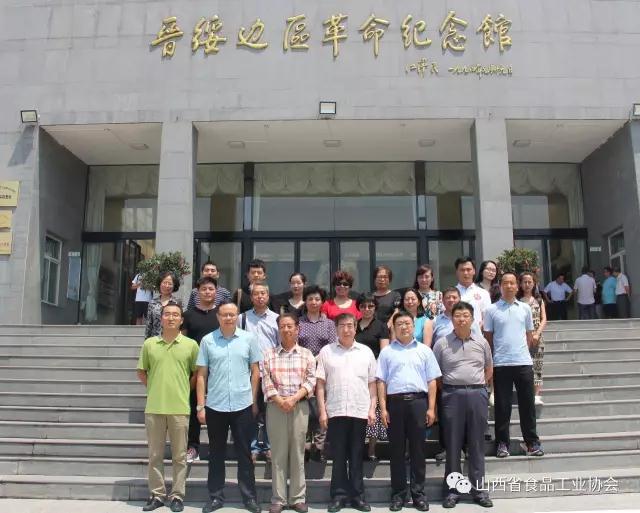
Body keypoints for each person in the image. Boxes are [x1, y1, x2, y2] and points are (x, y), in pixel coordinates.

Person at [196, 302, 262, 513]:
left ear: (237, 316)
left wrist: (253, 401)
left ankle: (249, 498)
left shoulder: (248, 339)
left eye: (232, 315)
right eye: (224, 315)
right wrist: (200, 405)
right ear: (218, 317)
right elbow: (201, 375)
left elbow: (255, 371)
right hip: (216, 405)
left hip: (243, 405)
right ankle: (216, 497)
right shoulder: (208, 340)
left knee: (245, 453)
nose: (228, 318)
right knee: (216, 453)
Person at [137, 302, 199, 513]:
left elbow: (196, 374)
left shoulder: (191, 345)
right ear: (161, 318)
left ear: (181, 320)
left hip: (180, 408)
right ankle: (157, 494)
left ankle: (177, 495)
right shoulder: (150, 344)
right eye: (167, 314)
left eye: (175, 315)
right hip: (154, 407)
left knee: (179, 456)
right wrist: (154, 387)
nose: (171, 318)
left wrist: (183, 389)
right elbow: (142, 372)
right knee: (155, 454)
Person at [376, 311, 441, 512]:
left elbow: (432, 381)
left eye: (407, 323)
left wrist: (431, 408)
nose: (404, 327)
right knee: (396, 451)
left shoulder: (424, 351)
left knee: (418, 450)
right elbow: (381, 381)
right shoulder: (387, 352)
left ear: (414, 326)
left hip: (418, 403)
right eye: (400, 324)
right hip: (394, 404)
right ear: (394, 328)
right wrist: (383, 408)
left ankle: (418, 494)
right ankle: (398, 495)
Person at [433, 301, 493, 509]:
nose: (461, 319)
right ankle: (453, 490)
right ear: (452, 319)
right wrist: (450, 389)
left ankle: (479, 490)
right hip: (452, 395)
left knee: (476, 444)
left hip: (477, 394)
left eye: (466, 315)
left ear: (472, 319)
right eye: (457, 315)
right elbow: (436, 374)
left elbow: (489, 368)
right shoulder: (442, 343)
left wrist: (479, 387)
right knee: (453, 445)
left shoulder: (482, 342)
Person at [316, 313, 377, 513]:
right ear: (336, 328)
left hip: (359, 410)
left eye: (350, 325)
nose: (346, 329)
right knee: (339, 456)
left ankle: (358, 497)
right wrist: (322, 411)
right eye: (342, 325)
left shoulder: (366, 352)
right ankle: (339, 496)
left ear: (356, 327)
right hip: (336, 411)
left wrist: (372, 409)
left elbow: (372, 383)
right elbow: (320, 384)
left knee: (357, 455)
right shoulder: (327, 351)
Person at [483, 273, 543, 458]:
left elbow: (529, 334)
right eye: (505, 283)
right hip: (501, 363)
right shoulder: (491, 310)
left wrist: (524, 353)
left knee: (528, 405)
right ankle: (502, 443)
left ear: (517, 286)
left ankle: (531, 442)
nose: (509, 286)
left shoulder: (525, 308)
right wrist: (491, 362)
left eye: (512, 283)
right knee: (502, 406)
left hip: (523, 362)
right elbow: (488, 338)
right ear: (500, 286)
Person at [262, 313, 316, 513]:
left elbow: (311, 380)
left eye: (290, 326)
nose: (286, 330)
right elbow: (266, 381)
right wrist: (280, 400)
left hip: (299, 407)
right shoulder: (269, 354)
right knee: (278, 453)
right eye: (282, 326)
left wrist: (293, 399)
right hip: (275, 407)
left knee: (297, 452)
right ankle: (278, 499)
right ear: (278, 330)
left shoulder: (307, 354)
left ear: (297, 329)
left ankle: (297, 498)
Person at [238, 281, 279, 462]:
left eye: (263, 293)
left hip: (271, 372)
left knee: (270, 412)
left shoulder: (276, 319)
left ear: (268, 296)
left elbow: (280, 345)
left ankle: (269, 446)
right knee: (251, 411)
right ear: (251, 297)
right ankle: (254, 446)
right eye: (256, 294)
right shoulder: (242, 318)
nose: (260, 297)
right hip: (248, 372)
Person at [181, 276, 220, 463]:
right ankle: (193, 446)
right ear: (197, 292)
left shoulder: (221, 314)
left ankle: (216, 446)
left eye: (211, 289)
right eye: (203, 289)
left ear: (216, 291)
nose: (207, 292)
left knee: (216, 409)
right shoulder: (188, 315)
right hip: (194, 368)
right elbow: (182, 340)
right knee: (194, 407)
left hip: (218, 367)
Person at [298, 285, 337, 459]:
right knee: (305, 405)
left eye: (317, 299)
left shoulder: (329, 324)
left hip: (323, 368)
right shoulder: (299, 322)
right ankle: (306, 446)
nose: (314, 302)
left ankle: (320, 446)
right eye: (310, 299)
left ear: (322, 302)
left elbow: (332, 345)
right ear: (305, 301)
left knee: (322, 405)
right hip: (302, 369)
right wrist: (308, 359)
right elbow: (295, 344)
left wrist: (316, 358)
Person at [427, 286, 462, 461]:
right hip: (442, 373)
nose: (451, 300)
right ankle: (446, 447)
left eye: (454, 297)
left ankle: (464, 447)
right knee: (445, 413)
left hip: (463, 373)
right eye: (448, 297)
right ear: (442, 300)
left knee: (464, 414)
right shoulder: (436, 321)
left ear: (460, 299)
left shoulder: (467, 319)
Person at [355, 293, 390, 460]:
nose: (367, 309)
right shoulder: (354, 325)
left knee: (373, 409)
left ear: (375, 308)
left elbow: (384, 352)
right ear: (359, 308)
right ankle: (357, 446)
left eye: (370, 306)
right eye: (363, 306)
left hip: (374, 372)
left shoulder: (381, 326)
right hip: (355, 372)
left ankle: (372, 449)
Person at [518, 272, 547, 405]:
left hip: (537, 339)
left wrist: (537, 334)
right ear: (520, 284)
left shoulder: (539, 300)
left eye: (530, 282)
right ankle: (524, 393)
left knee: (537, 366)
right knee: (523, 368)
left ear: (534, 284)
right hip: (521, 339)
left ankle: (536, 395)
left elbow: (544, 319)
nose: (527, 284)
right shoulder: (517, 301)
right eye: (525, 282)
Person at [454, 257, 491, 330]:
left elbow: (488, 316)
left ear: (474, 271)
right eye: (462, 270)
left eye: (468, 270)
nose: (465, 273)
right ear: (457, 272)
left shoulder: (483, 293)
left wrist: (481, 327)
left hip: (477, 334)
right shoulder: (451, 295)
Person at [145, 272, 182, 339]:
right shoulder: (152, 303)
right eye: (164, 283)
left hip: (173, 339)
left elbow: (181, 324)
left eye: (170, 284)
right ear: (160, 284)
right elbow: (149, 325)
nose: (167, 286)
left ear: (174, 286)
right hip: (155, 339)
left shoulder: (178, 302)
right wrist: (147, 341)